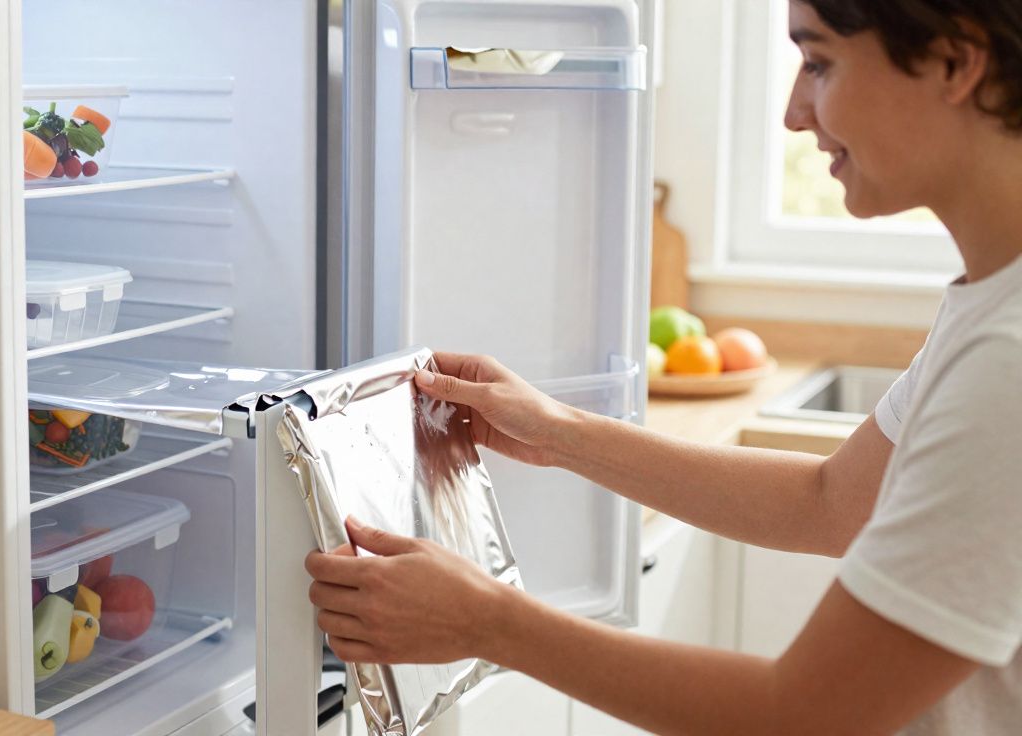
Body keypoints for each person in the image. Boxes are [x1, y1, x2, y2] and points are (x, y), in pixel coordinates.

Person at [304, 1, 1022, 733]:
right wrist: (560, 433)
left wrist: (490, 623)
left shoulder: (1007, 359)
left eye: (819, 62)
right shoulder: (992, 301)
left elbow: (805, 714)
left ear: (956, 62)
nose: (794, 114)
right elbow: (835, 500)